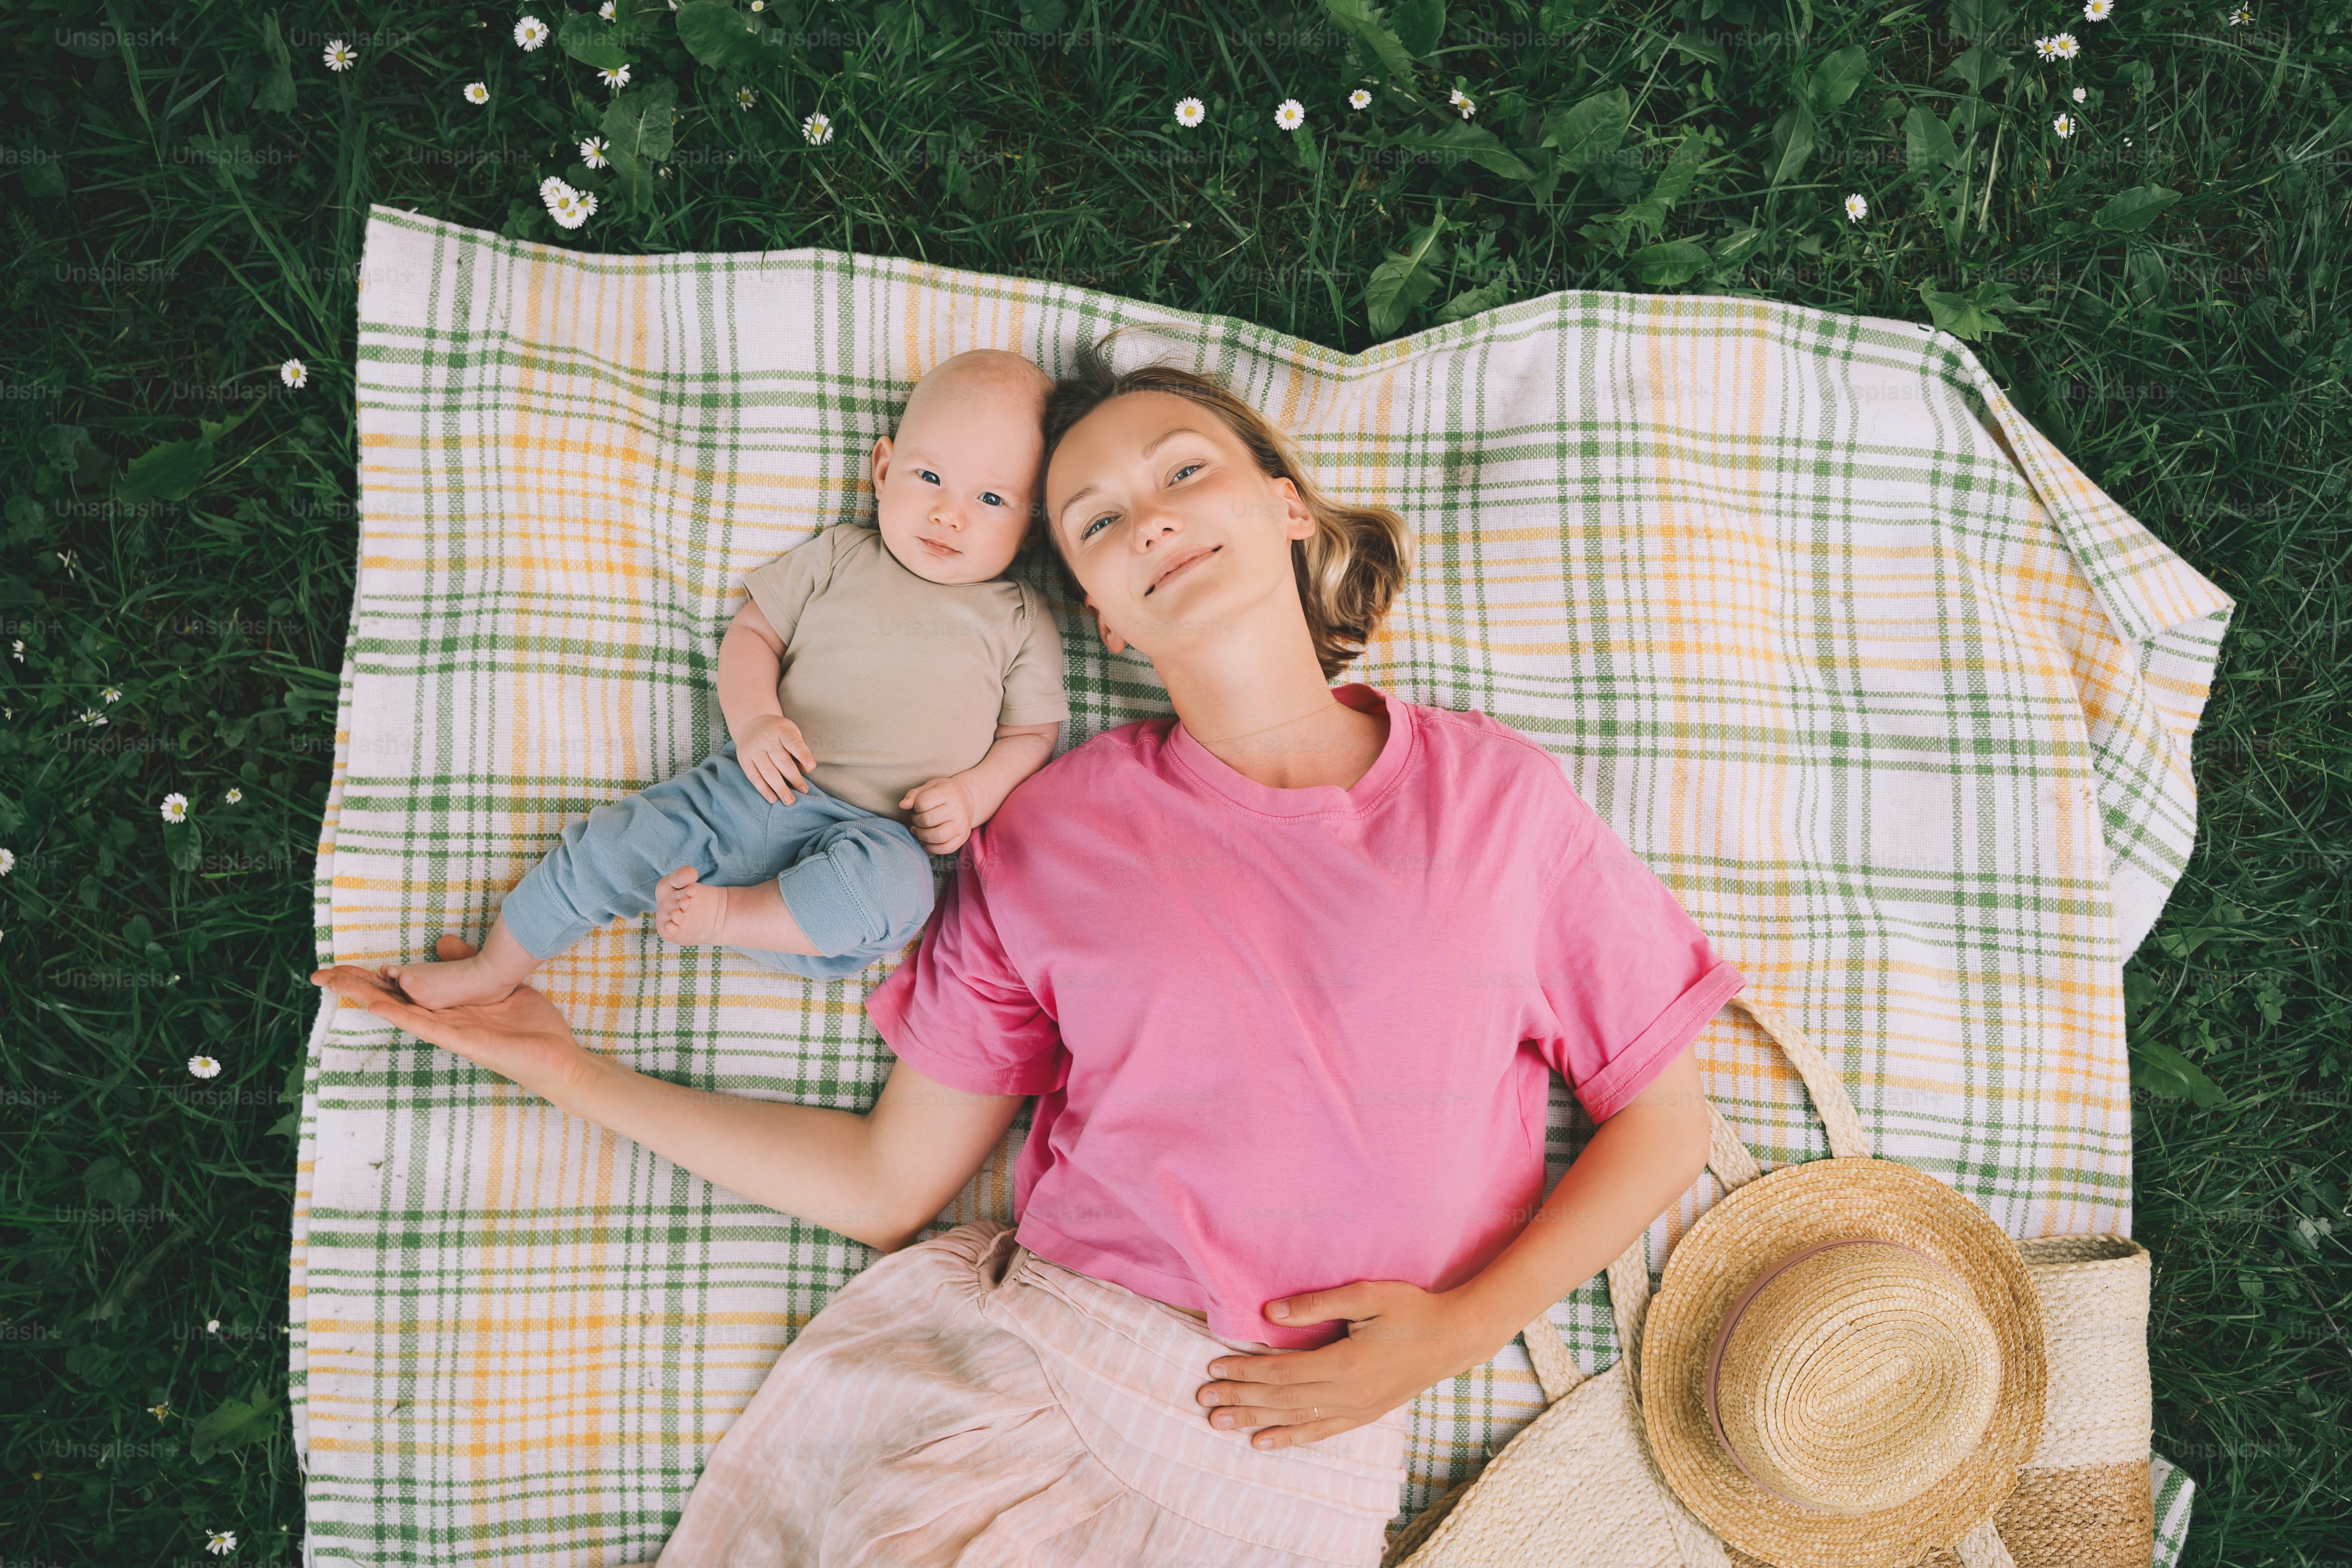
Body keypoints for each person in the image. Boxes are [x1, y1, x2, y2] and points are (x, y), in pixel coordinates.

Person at [311, 330, 1745, 1567]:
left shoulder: (1499, 795)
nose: (1153, 521)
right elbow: (889, 1181)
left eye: (1185, 471)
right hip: (1035, 1385)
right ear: (1095, 612)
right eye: (1100, 521)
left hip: (1303, 1467)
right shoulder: (1051, 829)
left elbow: (1664, 1117)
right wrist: (570, 1070)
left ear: (1287, 504)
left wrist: (1459, 1329)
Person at [386, 348, 1067, 1004]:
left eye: (990, 498)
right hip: (743, 794)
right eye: (930, 477)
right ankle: (495, 967)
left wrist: (974, 794)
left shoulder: (1019, 617)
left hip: (872, 838)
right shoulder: (842, 555)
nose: (951, 513)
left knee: (903, 890)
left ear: (1032, 528)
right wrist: (757, 720)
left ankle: (729, 917)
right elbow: (753, 635)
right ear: (884, 469)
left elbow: (1032, 734)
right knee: (612, 843)